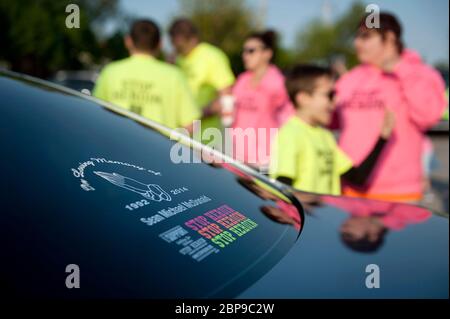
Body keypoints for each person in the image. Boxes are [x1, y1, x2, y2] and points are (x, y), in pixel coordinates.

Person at [335, 12, 446, 203]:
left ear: (389, 38)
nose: (357, 43)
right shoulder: (351, 78)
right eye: (357, 37)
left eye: (366, 37)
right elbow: (331, 121)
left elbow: (428, 116)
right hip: (349, 188)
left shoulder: (422, 74)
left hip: (399, 194)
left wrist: (400, 69)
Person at [270, 65, 395, 196]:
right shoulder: (290, 134)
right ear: (303, 98)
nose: (336, 100)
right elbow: (282, 188)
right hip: (303, 216)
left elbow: (358, 178)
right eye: (330, 95)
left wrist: (383, 137)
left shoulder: (326, 136)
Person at [93, 19, 199, 131]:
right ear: (160, 44)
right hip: (160, 148)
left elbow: (94, 115)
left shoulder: (110, 72)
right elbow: (193, 124)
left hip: (113, 147)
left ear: (128, 41)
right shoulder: (175, 76)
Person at [230, 30, 294, 171]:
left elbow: (290, 121)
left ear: (267, 53)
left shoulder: (278, 82)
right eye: (244, 51)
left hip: (264, 161)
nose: (245, 55)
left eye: (251, 51)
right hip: (238, 156)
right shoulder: (242, 79)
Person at [169, 18, 235, 141]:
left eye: (180, 45)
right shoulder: (177, 58)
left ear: (193, 39)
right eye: (174, 45)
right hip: (179, 138)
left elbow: (226, 98)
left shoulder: (211, 56)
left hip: (205, 140)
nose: (176, 48)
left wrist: (195, 117)